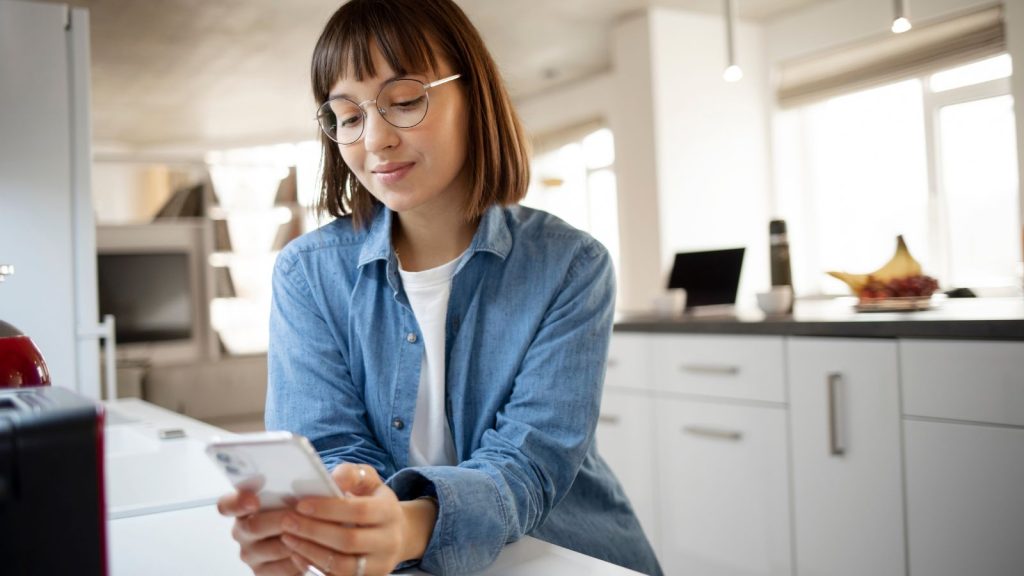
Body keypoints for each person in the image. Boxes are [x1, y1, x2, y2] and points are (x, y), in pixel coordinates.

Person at [216, 1, 662, 575]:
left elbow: (528, 465)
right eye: (348, 116)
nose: (375, 139)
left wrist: (405, 528)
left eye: (404, 101)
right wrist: (323, 523)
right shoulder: (307, 274)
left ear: (474, 96)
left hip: (563, 554)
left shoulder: (571, 267)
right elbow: (330, 450)